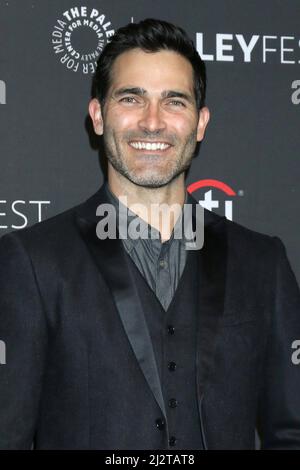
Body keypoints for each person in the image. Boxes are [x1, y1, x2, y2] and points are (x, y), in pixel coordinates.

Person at [0, 18, 300, 450]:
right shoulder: (32, 261)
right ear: (99, 116)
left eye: (174, 102)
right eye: (131, 98)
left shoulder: (262, 261)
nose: (153, 122)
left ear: (200, 123)